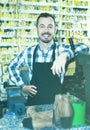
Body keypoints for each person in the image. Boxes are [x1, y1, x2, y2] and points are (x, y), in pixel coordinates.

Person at [8, 13, 89, 105]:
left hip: (57, 108)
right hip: (34, 107)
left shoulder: (61, 49)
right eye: (42, 26)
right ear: (37, 29)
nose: (46, 30)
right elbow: (12, 67)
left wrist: (65, 55)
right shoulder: (28, 52)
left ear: (55, 29)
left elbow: (84, 47)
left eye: (50, 26)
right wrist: (22, 86)